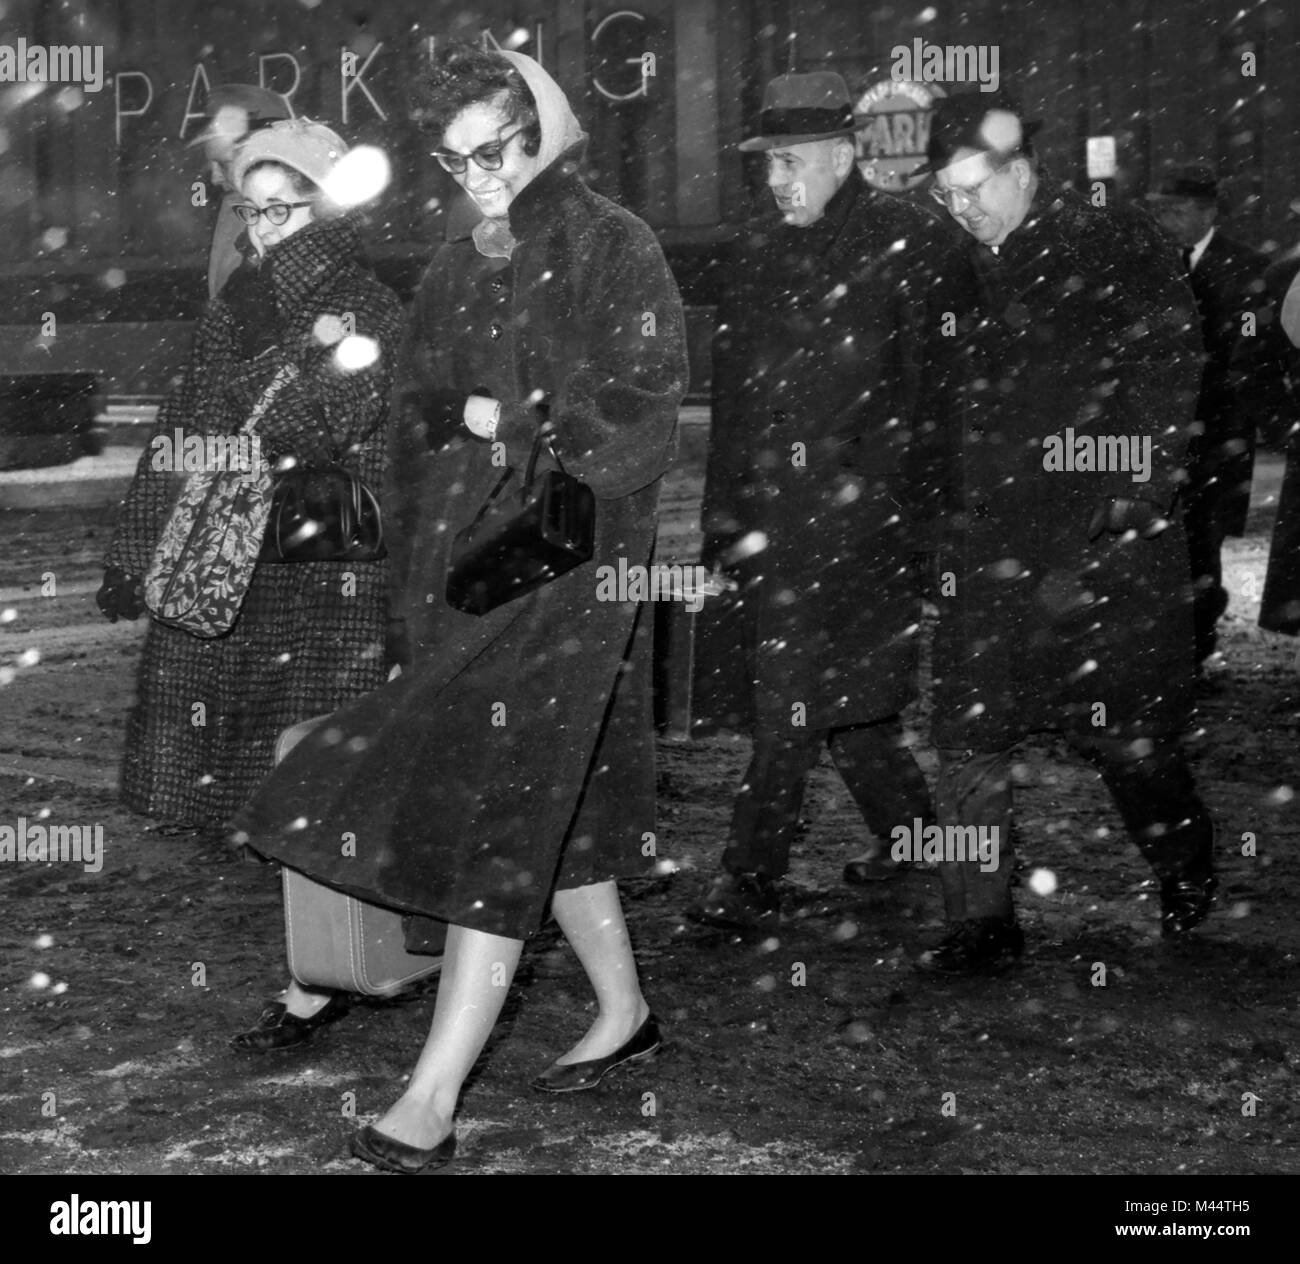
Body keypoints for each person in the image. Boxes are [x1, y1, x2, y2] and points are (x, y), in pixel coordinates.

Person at [230, 46, 689, 1174]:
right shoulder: (450, 265)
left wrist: (513, 421)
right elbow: (417, 421)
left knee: (503, 801)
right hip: (473, 572)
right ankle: (623, 1008)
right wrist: (420, 581)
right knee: (550, 794)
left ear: (544, 131)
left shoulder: (611, 244)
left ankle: (430, 1098)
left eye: (497, 149)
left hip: (574, 564)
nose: (480, 175)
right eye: (456, 158)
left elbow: (636, 416)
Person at [914, 91, 1216, 972]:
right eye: (946, 194)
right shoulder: (952, 266)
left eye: (974, 188)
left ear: (1023, 169)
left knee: (1128, 741)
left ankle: (1185, 869)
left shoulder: (1112, 241)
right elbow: (934, 404)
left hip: (1099, 549)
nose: (962, 209)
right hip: (990, 549)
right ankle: (981, 925)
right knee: (968, 738)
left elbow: (1169, 364)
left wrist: (1133, 492)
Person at [97, 120, 403, 838]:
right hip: (231, 538)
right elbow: (184, 429)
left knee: (304, 729)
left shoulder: (366, 304)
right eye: (250, 210)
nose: (261, 230)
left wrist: (269, 347)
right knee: (213, 716)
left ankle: (305, 865)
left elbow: (322, 425)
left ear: (324, 208)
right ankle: (245, 842)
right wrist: (134, 551)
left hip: (323, 551)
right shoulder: (239, 299)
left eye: (279, 210)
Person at [688, 71, 940, 930]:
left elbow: (934, 396)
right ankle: (915, 848)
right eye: (767, 166)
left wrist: (921, 520)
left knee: (798, 702)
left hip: (868, 526)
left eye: (791, 161)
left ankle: (749, 873)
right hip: (778, 526)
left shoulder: (906, 240)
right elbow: (734, 403)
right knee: (843, 707)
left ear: (843, 155)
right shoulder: (757, 254)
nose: (777, 180)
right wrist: (721, 521)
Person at [1147, 163, 1274, 664]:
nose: (1166, 220)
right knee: (1165, 531)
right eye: (1159, 210)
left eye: (1176, 211)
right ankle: (1172, 633)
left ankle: (1198, 635)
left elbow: (1250, 343)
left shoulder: (1245, 267)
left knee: (1204, 535)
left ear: (1207, 212)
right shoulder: (1151, 262)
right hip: (1164, 427)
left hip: (1218, 429)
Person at [192, 84, 294, 299]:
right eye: (210, 165)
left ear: (265, 154)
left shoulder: (304, 218)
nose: (214, 178)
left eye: (224, 164)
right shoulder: (232, 206)